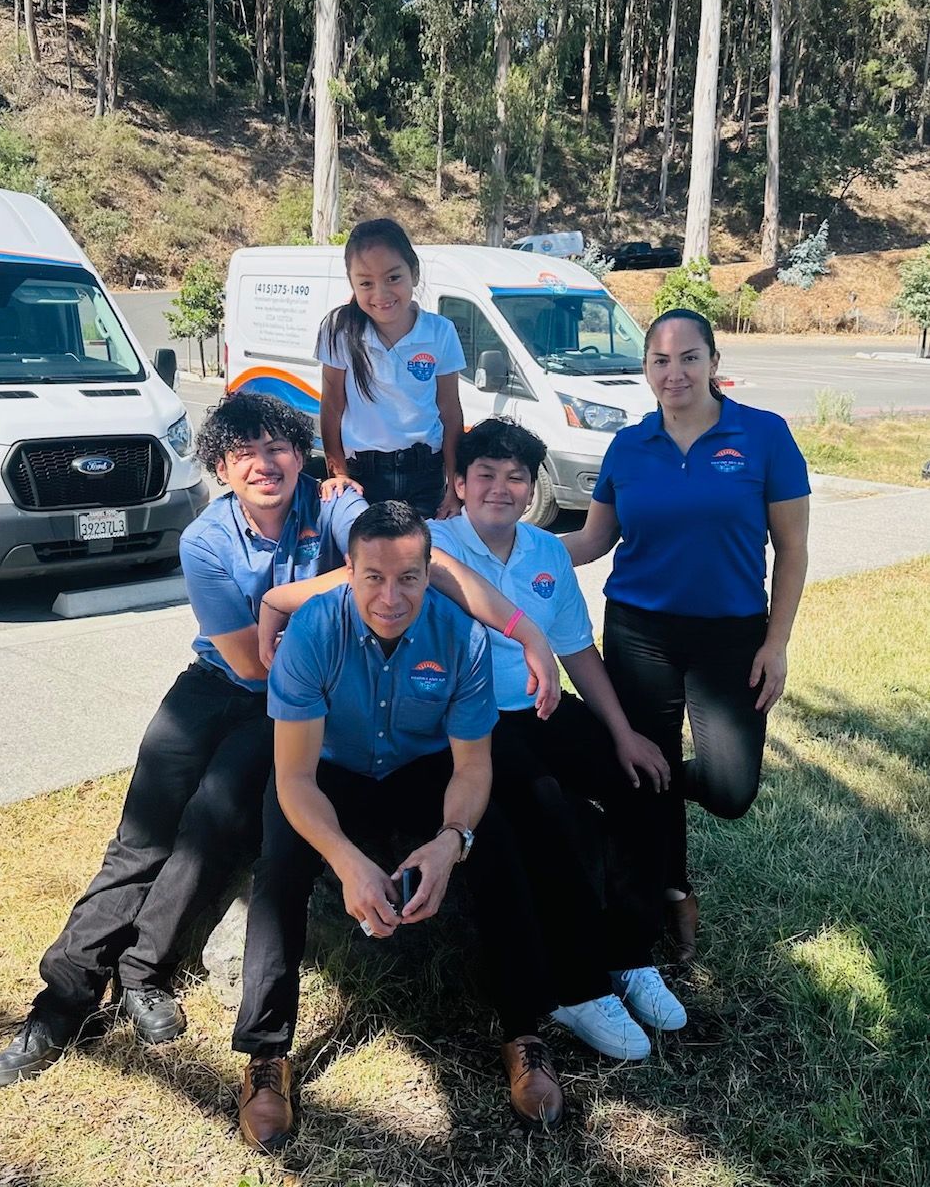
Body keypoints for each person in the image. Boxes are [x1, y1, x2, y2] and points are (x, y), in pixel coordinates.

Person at [0, 392, 367, 1089]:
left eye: (277, 446)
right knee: (140, 838)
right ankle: (60, 1004)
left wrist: (323, 574)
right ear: (219, 466)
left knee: (208, 827)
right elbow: (249, 662)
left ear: (300, 453)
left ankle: (143, 972)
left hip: (289, 706)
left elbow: (393, 553)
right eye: (242, 452)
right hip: (218, 682)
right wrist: (318, 607)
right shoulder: (207, 537)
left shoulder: (331, 504)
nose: (263, 463)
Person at [263, 501, 565, 1137]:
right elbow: (294, 777)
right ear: (350, 571)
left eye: (408, 577)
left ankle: (524, 1034)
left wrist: (452, 841)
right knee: (281, 862)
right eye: (373, 576)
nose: (390, 596)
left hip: (418, 767)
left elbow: (471, 770)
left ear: (432, 573)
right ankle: (268, 1054)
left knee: (498, 845)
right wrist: (344, 858)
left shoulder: (464, 639)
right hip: (334, 769)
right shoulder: (315, 630)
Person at [427, 418, 686, 1062]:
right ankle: (576, 987)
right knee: (546, 809)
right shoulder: (429, 541)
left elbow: (576, 648)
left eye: (516, 477)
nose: (500, 488)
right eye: (484, 474)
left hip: (541, 707)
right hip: (470, 723)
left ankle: (629, 952)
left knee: (646, 781)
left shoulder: (545, 552)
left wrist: (622, 732)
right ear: (458, 484)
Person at [563, 309, 810, 962]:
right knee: (649, 778)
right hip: (638, 631)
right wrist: (502, 547)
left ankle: (651, 803)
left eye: (688, 357)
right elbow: (592, 540)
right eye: (660, 361)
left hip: (730, 635)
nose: (674, 372)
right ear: (644, 369)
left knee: (730, 790)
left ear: (712, 360)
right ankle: (670, 896)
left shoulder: (763, 436)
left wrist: (774, 642)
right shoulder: (628, 444)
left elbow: (792, 548)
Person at [316, 217, 465, 519]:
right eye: (366, 283)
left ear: (414, 273)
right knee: (367, 563)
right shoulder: (339, 330)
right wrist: (338, 473)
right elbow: (332, 407)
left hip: (425, 476)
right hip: (362, 477)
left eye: (393, 278)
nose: (381, 295)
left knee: (423, 562)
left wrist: (454, 488)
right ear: (352, 284)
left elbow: (451, 412)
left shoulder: (440, 332)